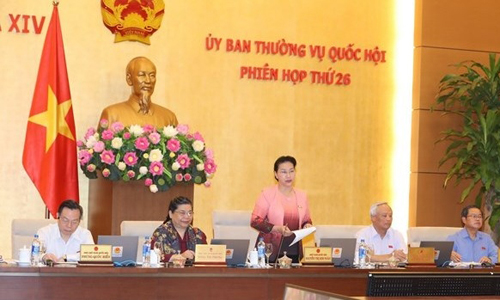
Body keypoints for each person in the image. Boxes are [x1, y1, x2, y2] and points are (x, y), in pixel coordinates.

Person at [251, 156, 313, 263]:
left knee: (293, 280)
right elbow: (255, 221)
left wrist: (307, 225)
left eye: (291, 171)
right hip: (270, 251)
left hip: (294, 249)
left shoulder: (302, 195)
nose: (288, 175)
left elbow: (306, 220)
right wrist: (277, 228)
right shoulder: (267, 194)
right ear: (276, 174)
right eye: (283, 172)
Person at [99, 56, 178, 128]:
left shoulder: (169, 117)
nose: (148, 81)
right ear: (129, 79)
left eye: (152, 75)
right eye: (142, 75)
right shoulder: (112, 114)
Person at [151, 196, 207, 263]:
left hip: (194, 273)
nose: (187, 216)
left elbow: (206, 257)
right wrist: (179, 257)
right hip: (169, 272)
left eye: (190, 213)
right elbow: (153, 256)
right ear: (171, 214)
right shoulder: (161, 233)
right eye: (182, 213)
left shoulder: (198, 234)